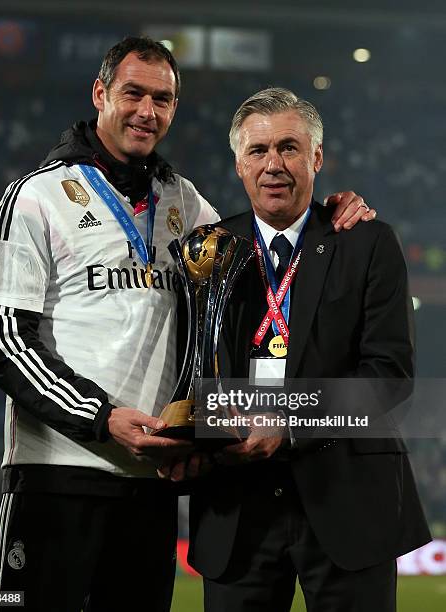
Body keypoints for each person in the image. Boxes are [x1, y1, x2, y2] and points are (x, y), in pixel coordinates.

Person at [0, 37, 375, 612]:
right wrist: (102, 418)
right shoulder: (37, 198)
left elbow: (265, 262)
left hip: (153, 482)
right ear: (100, 94)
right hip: (57, 477)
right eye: (133, 93)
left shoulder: (186, 205)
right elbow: (4, 342)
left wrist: (330, 212)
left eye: (162, 99)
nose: (147, 111)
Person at [185, 88, 431, 612]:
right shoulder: (209, 251)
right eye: (258, 151)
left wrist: (289, 424)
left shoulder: (367, 243)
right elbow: (189, 370)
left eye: (290, 147)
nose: (273, 164)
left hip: (347, 501)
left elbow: (389, 375)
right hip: (238, 509)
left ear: (317, 157)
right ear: (238, 164)